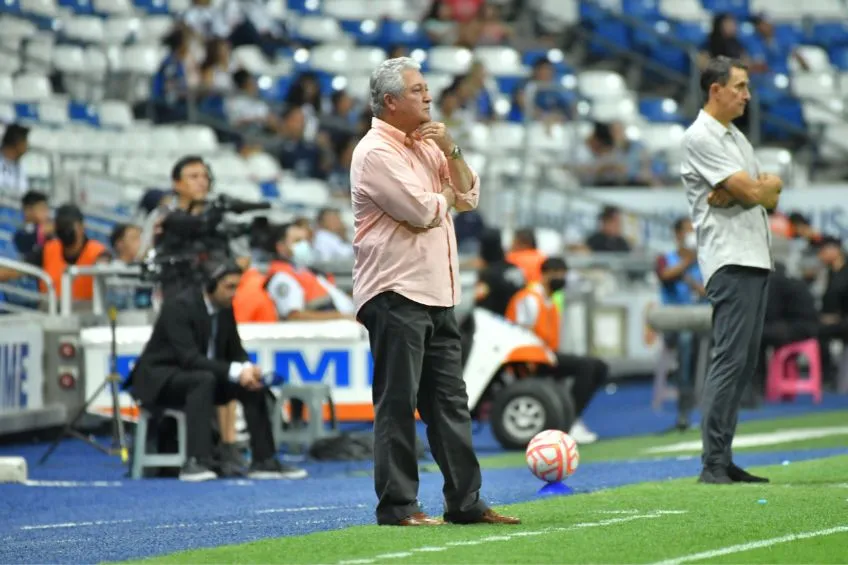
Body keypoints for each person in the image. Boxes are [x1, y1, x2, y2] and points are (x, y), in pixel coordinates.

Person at [351, 57, 519, 526]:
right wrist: (446, 191)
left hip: (438, 292)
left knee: (449, 403)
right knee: (398, 402)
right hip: (396, 292)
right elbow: (424, 210)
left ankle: (466, 503)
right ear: (390, 101)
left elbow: (469, 195)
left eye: (427, 88)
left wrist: (453, 150)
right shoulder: (374, 152)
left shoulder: (427, 145)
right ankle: (398, 506)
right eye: (418, 90)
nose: (429, 96)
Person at [680, 56, 783, 484]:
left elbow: (768, 194)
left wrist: (756, 189)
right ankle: (713, 463)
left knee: (742, 363)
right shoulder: (701, 136)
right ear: (715, 90)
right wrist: (751, 189)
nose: (747, 95)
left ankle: (723, 456)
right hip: (731, 258)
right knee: (728, 360)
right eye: (739, 86)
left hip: (753, 256)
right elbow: (753, 188)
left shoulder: (736, 137)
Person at [126, 258, 307, 482]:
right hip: (160, 379)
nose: (234, 293)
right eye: (229, 287)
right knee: (202, 380)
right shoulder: (178, 306)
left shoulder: (224, 308)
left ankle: (264, 460)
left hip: (200, 376)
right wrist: (236, 371)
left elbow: (236, 351)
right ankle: (197, 461)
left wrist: (248, 370)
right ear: (210, 285)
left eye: (237, 287)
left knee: (251, 386)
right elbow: (189, 358)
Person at [505, 257, 607, 444]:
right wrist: (528, 366)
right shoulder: (529, 298)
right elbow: (520, 332)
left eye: (563, 275)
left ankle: (571, 416)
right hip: (532, 360)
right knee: (587, 367)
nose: (561, 279)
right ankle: (569, 422)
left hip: (546, 356)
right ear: (545, 274)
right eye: (557, 274)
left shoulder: (549, 300)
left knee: (599, 366)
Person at [655, 218, 705, 431]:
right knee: (686, 340)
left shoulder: (705, 261)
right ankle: (684, 408)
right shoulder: (666, 259)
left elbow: (708, 291)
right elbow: (665, 275)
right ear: (677, 235)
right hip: (675, 323)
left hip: (702, 321)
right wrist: (686, 263)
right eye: (687, 231)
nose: (691, 235)